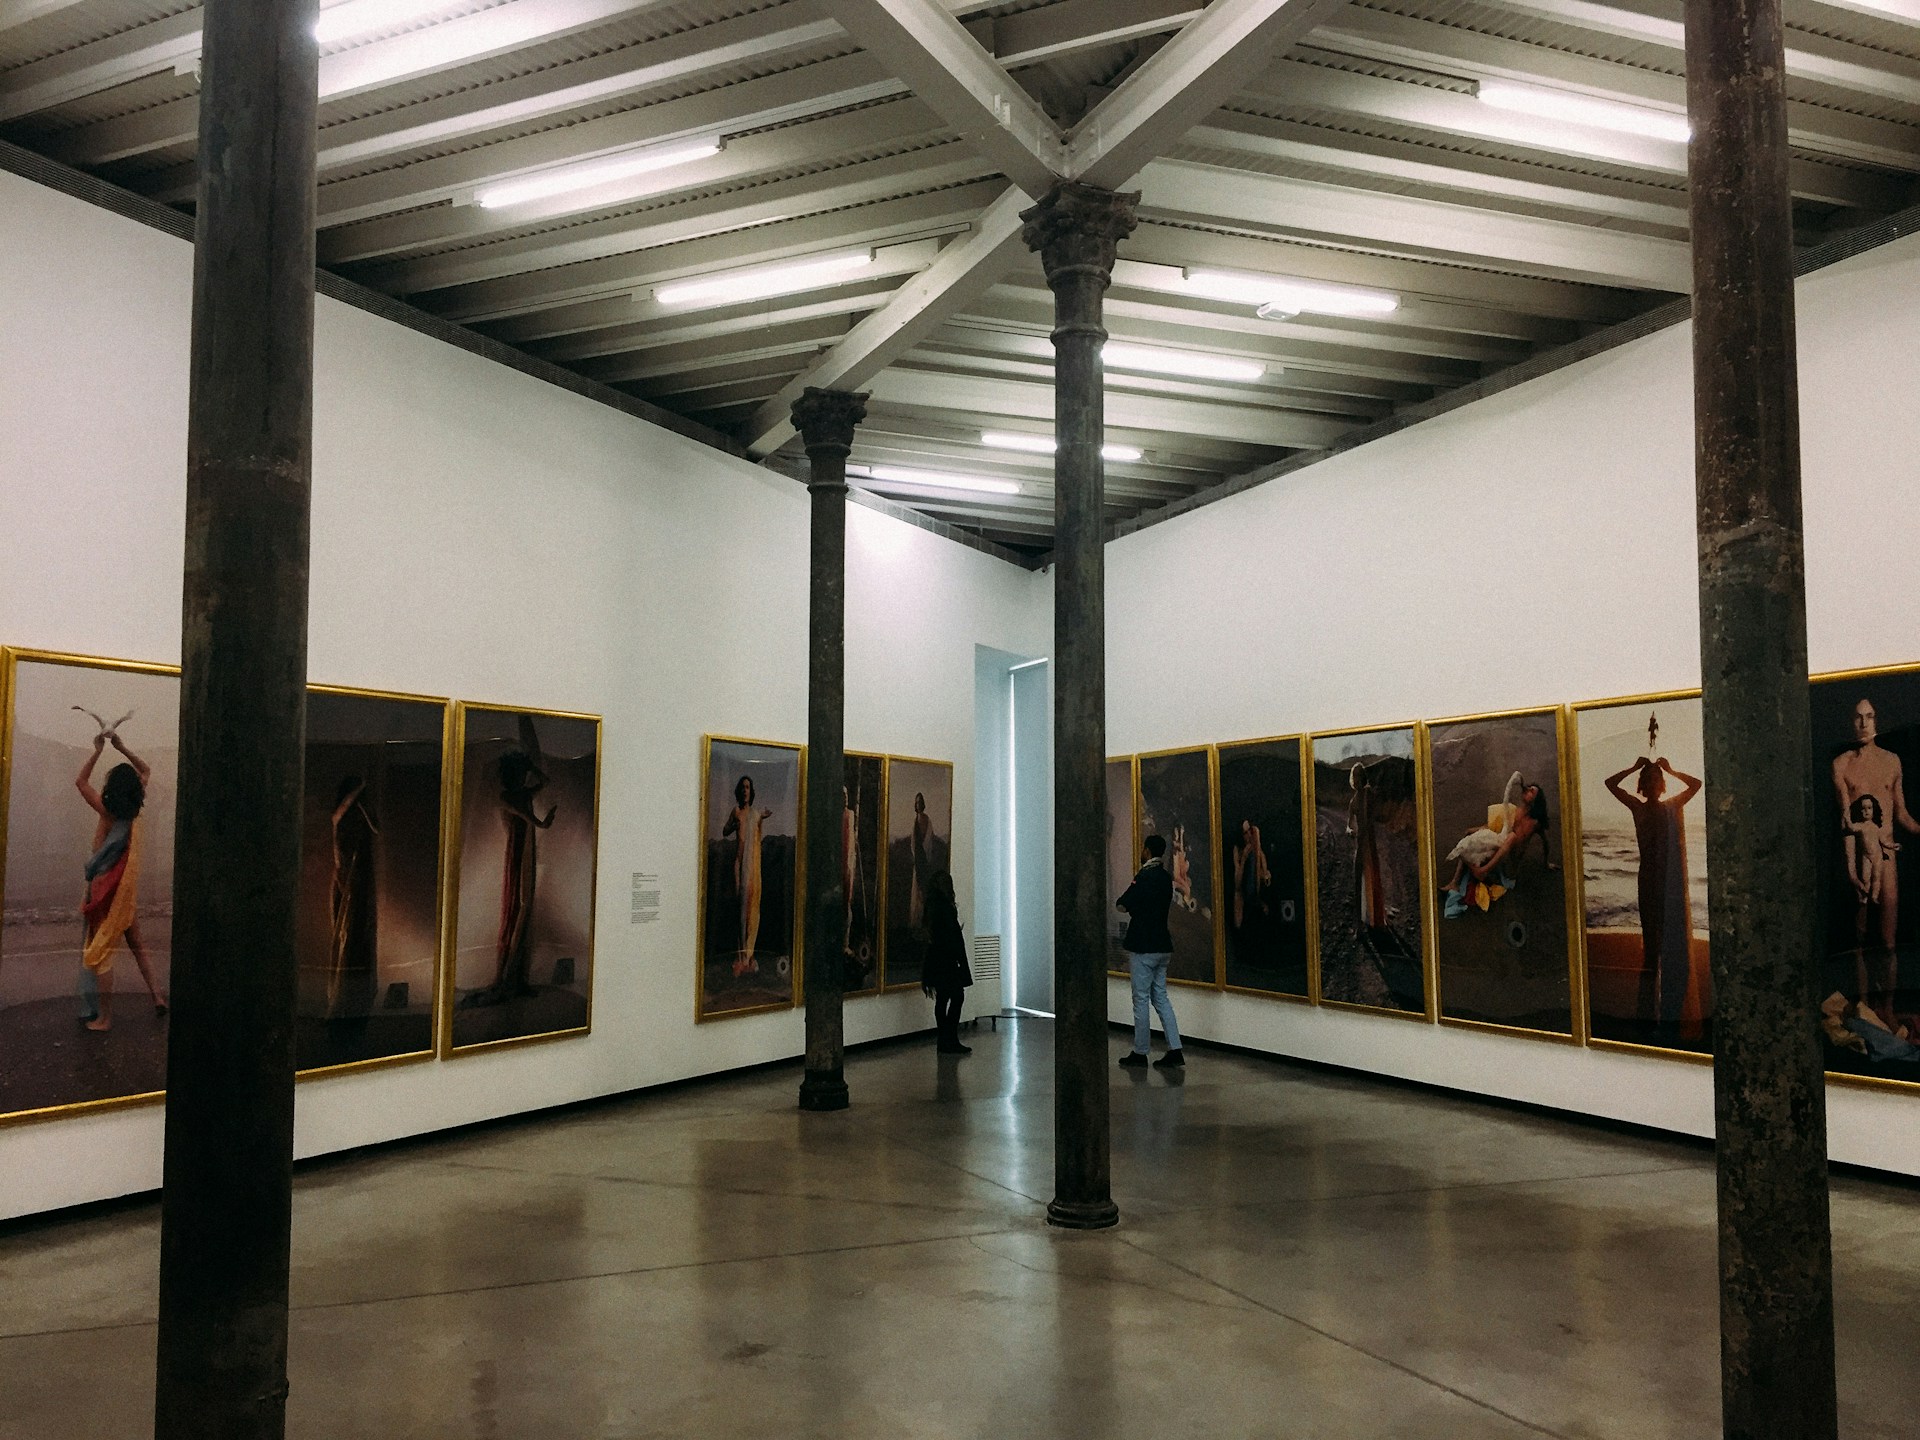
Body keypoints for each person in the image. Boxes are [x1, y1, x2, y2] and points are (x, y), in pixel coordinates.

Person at [1832, 698, 1920, 1026]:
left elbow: (1902, 815)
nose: (1864, 723)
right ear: (1850, 722)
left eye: (1869, 716)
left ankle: (1888, 1007)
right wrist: (1851, 871)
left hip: (1887, 858)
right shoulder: (1842, 764)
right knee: (1859, 942)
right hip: (1860, 859)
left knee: (1888, 942)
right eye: (1858, 717)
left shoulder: (1892, 761)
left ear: (1877, 719)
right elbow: (1846, 824)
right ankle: (1865, 1005)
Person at [74, 721, 166, 1031]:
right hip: (125, 891)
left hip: (104, 889)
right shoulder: (134, 810)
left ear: (112, 788)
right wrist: (122, 747)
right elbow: (146, 769)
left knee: (100, 952)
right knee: (137, 945)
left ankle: (104, 1017)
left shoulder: (106, 810)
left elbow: (81, 781)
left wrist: (98, 751)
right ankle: (157, 997)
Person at [1603, 755, 1704, 1033]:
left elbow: (1696, 784)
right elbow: (1610, 783)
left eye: (1655, 780)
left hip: (1665, 883)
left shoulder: (1665, 807)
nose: (1653, 784)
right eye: (1649, 780)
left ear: (1659, 786)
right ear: (1645, 786)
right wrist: (1641, 767)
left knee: (1665, 949)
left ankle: (1660, 1014)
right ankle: (1650, 1016)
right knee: (1653, 950)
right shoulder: (1645, 808)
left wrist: (1666, 769)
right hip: (1652, 882)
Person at [1440, 772, 1558, 918]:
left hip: (1510, 866)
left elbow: (1545, 842)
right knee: (1470, 838)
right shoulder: (1512, 810)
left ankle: (1483, 871)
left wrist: (1546, 863)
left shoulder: (1535, 823)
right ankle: (1455, 882)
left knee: (1512, 837)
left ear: (1535, 801)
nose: (1527, 789)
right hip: (1499, 855)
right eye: (1528, 788)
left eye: (1531, 791)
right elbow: (1493, 827)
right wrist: (1474, 830)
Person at [1117, 833, 1183, 1069]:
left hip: (1143, 946)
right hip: (1162, 945)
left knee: (1141, 999)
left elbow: (1122, 903)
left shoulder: (1143, 876)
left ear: (1147, 850)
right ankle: (1175, 1049)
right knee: (1161, 997)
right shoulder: (1165, 878)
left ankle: (1140, 1051)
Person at [327, 774, 381, 1022]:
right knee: (346, 936)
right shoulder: (341, 816)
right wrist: (360, 790)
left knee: (357, 937)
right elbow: (341, 815)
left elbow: (377, 828)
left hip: (356, 882)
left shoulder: (357, 815)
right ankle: (344, 998)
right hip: (346, 881)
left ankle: (354, 997)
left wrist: (363, 804)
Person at [724, 775, 772, 978]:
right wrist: (735, 825)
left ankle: (749, 956)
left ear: (751, 792)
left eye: (748, 788)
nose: (745, 791)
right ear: (739, 790)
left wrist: (762, 816)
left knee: (753, 910)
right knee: (741, 911)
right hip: (740, 865)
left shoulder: (754, 814)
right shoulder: (736, 812)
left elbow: (758, 828)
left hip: (753, 869)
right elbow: (725, 831)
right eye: (743, 787)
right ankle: (741, 956)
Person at [919, 871, 972, 1054]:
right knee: (957, 996)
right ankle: (950, 1038)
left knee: (942, 999)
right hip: (947, 961)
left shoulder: (932, 907)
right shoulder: (946, 909)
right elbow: (953, 938)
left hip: (935, 960)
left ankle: (944, 1039)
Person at [1846, 794, 1897, 906]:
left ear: (1874, 810)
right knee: (1865, 877)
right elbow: (1850, 827)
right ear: (1860, 811)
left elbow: (1883, 841)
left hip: (1877, 856)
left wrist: (1892, 846)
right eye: (1863, 808)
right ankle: (1865, 896)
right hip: (1866, 856)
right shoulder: (1860, 826)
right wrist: (1846, 816)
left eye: (1869, 808)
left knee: (1877, 877)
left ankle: (1874, 896)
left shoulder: (1876, 827)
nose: (1866, 811)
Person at [1232, 818, 1270, 931]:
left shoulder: (1258, 850)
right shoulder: (1237, 850)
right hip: (1243, 892)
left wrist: (1265, 876)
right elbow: (1237, 883)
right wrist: (1244, 858)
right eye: (1245, 833)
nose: (1249, 835)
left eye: (1250, 831)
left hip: (1256, 894)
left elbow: (1265, 873)